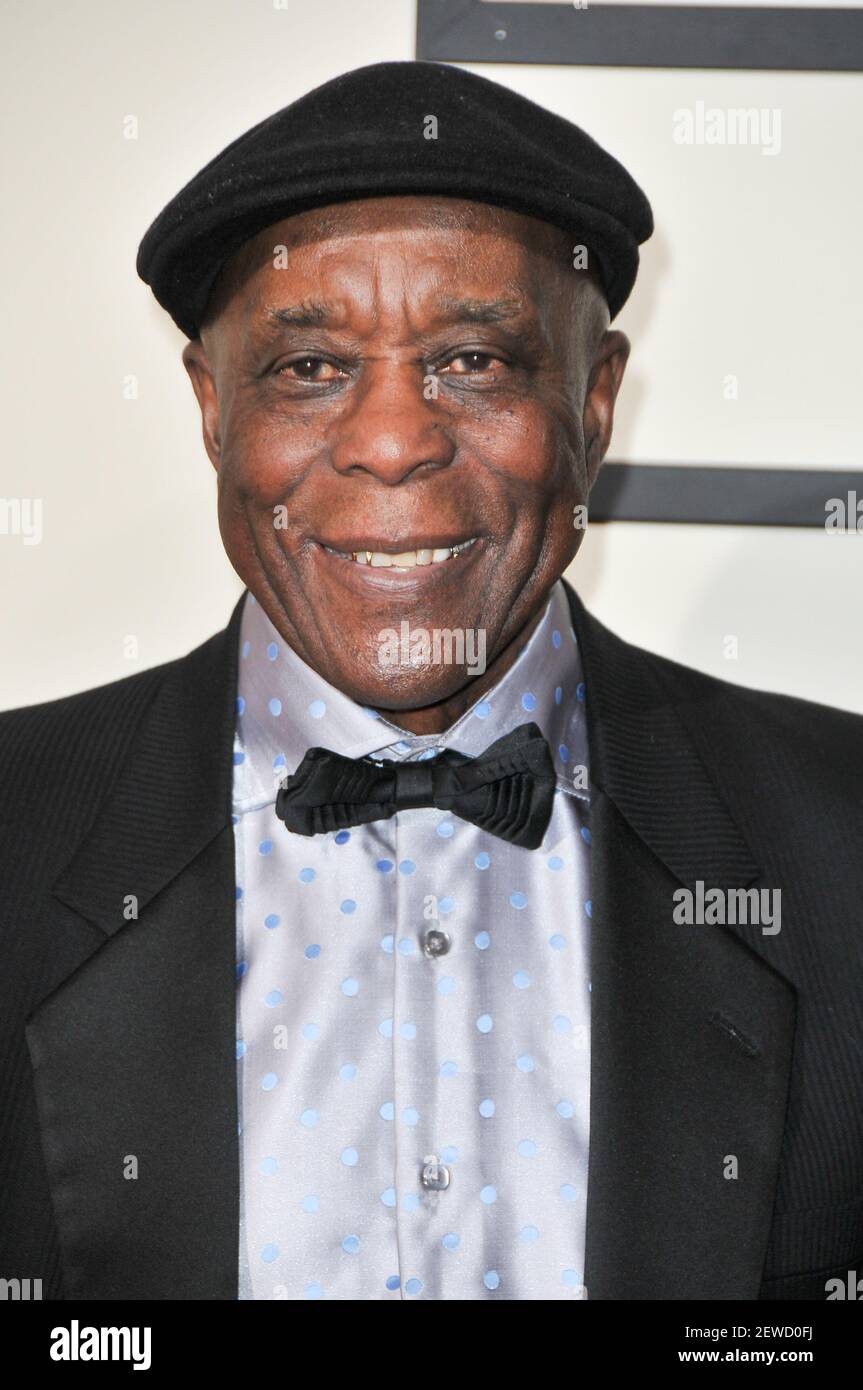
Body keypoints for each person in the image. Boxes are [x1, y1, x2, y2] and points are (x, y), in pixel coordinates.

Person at [1, 60, 861, 1302]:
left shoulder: (839, 843)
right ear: (209, 409)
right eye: (308, 369)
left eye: (472, 359)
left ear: (595, 400)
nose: (394, 439)